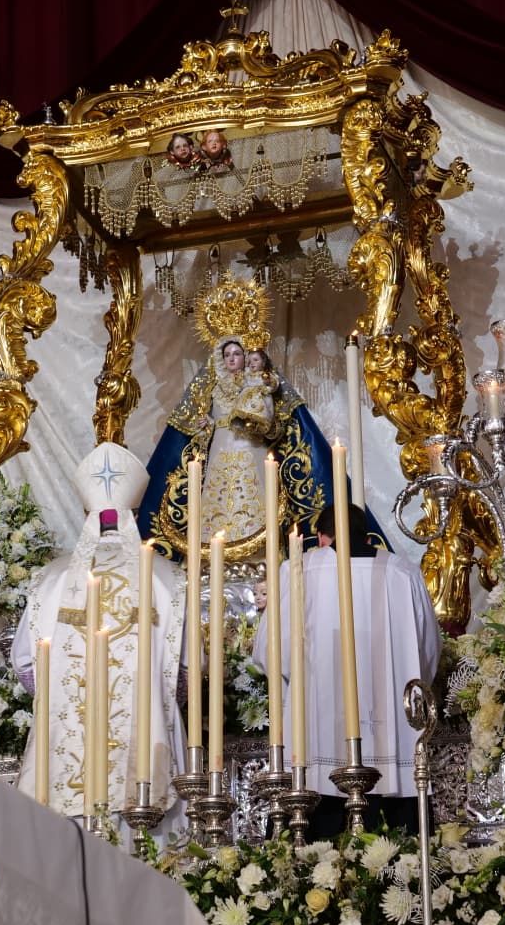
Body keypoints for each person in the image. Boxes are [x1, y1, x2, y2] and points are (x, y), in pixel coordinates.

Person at [138, 277, 381, 563]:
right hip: (220, 454)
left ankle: (260, 558)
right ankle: (213, 554)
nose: (232, 358)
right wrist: (206, 428)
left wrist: (258, 418)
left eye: (237, 353)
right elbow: (202, 430)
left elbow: (275, 425)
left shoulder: (258, 384)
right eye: (227, 354)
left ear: (247, 356)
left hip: (251, 449)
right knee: (216, 501)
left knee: (257, 499)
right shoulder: (213, 388)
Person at [13, 443, 187, 825]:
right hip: (150, 749)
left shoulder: (50, 578)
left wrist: (65, 696)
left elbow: (25, 665)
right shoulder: (167, 576)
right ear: (135, 514)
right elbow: (188, 669)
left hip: (62, 750)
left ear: (85, 514)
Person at [255, 502, 438, 835]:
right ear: (367, 536)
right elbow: (426, 653)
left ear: (322, 538)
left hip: (316, 740)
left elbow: (272, 652)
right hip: (393, 744)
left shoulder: (299, 570)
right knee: (397, 850)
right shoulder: (404, 572)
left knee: (314, 848)